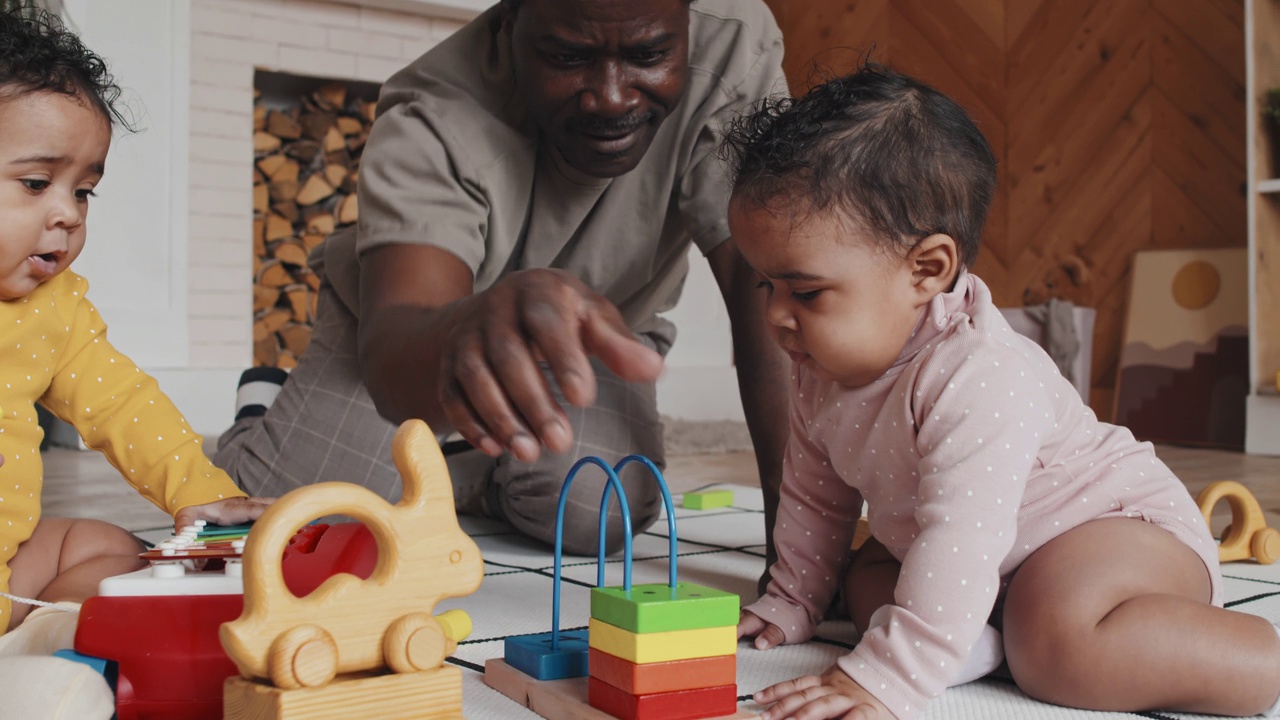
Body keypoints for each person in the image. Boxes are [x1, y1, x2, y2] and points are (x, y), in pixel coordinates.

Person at [730, 64, 1280, 720]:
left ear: (926, 270)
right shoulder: (818, 366)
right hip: (971, 550)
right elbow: (815, 496)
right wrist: (793, 600)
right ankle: (972, 641)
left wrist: (887, 675)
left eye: (806, 291)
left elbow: (964, 530)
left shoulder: (979, 375)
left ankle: (1261, 661)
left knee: (1053, 644)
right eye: (766, 286)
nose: (775, 317)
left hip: (1105, 531)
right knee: (868, 576)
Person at [214, 0, 791, 565]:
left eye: (650, 53)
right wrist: (471, 325)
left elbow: (767, 286)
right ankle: (259, 409)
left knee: (600, 512)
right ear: (510, 19)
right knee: (298, 524)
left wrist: (800, 554)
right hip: (417, 340)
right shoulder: (435, 113)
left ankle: (466, 471)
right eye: (568, 56)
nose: (612, 96)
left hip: (595, 342)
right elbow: (396, 361)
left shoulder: (734, 46)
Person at [0, 5, 272, 657]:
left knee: (105, 547)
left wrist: (205, 498)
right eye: (37, 183)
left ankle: (43, 644)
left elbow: (125, 405)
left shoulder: (54, 308)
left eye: (84, 190)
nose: (66, 213)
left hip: (10, 571)